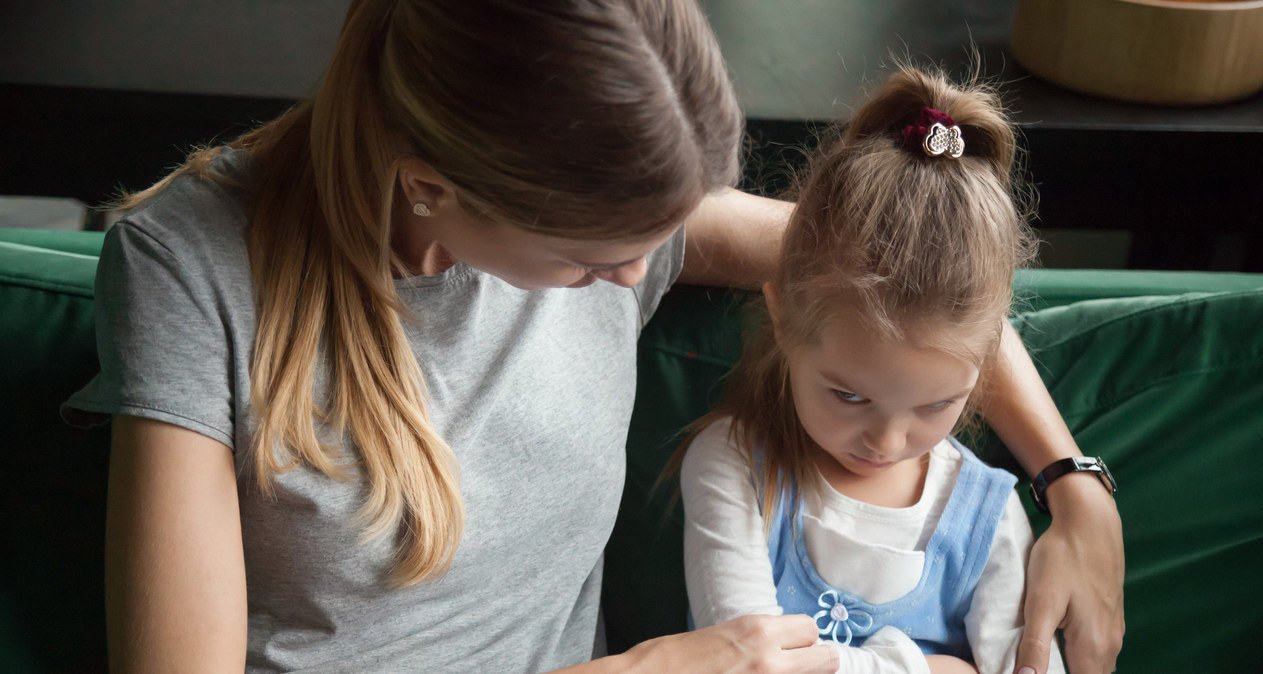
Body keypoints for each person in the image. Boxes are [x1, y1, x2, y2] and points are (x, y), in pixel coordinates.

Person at [61, 0, 1120, 671]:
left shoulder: (616, 217)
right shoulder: (189, 270)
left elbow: (923, 274)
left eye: (661, 237)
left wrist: (1070, 480)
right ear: (431, 188)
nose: (628, 279)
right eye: (589, 262)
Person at [676, 67, 1085, 674]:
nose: (887, 442)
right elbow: (749, 664)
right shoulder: (732, 465)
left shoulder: (986, 513)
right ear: (782, 319)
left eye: (935, 406)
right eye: (848, 395)